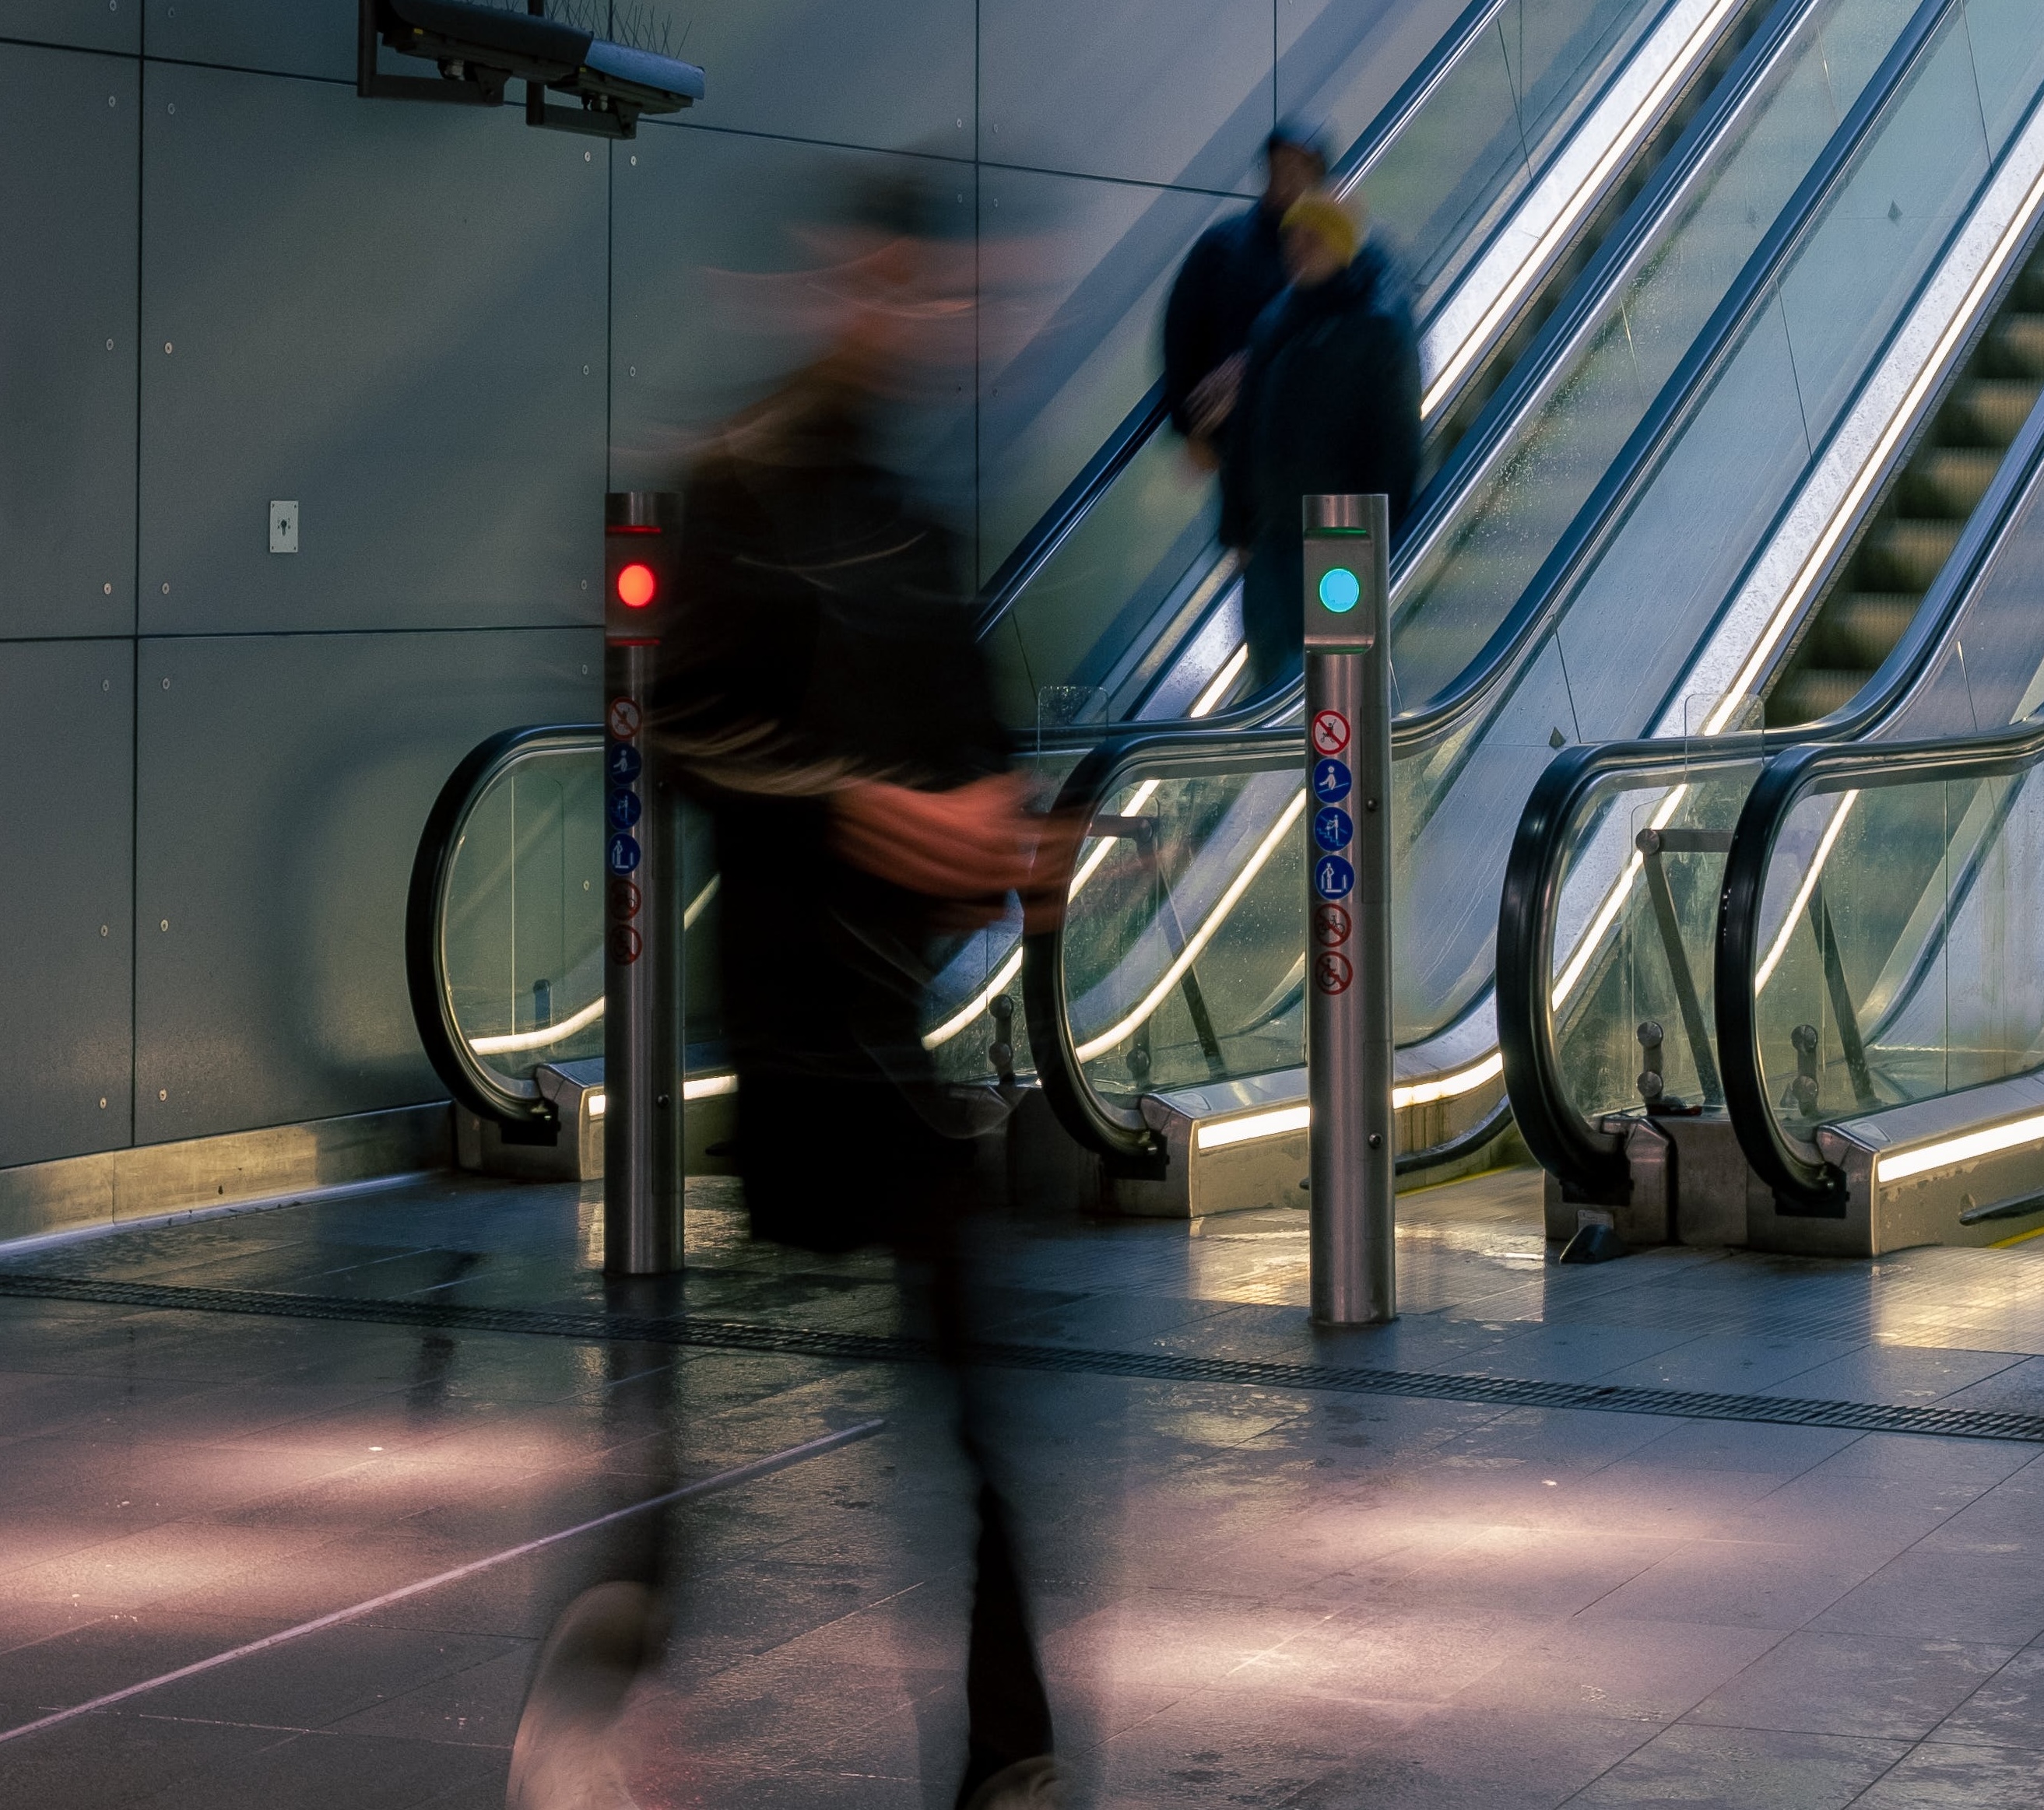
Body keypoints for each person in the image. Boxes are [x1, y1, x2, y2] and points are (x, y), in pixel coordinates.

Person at [504, 171, 1077, 1810]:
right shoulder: (739, 485)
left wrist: (1003, 838)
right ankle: (617, 1645)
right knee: (794, 1382)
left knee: (957, 1394)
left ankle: (1005, 1749)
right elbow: (679, 722)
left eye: (949, 292)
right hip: (791, 1006)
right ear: (841, 284)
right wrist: (848, 802)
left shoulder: (914, 514)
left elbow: (968, 750)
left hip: (884, 1012)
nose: (927, 317)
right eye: (899, 283)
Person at [1221, 188, 1421, 696]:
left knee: (1338, 693)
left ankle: (1341, 778)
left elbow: (1395, 444)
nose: (1298, 247)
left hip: (1340, 541)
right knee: (1272, 688)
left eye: (1314, 237)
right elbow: (1245, 431)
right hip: (1270, 542)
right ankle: (1288, 776)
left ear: (1341, 246)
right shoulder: (1277, 317)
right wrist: (1238, 528)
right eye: (1293, 236)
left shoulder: (1376, 325)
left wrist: (1376, 537)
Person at [1161, 119, 1330, 468]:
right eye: (1281, 166)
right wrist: (1191, 427)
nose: (1290, 178)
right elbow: (1181, 337)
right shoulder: (1224, 245)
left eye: (1302, 168)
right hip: (1238, 443)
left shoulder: (1330, 253)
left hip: (1307, 441)